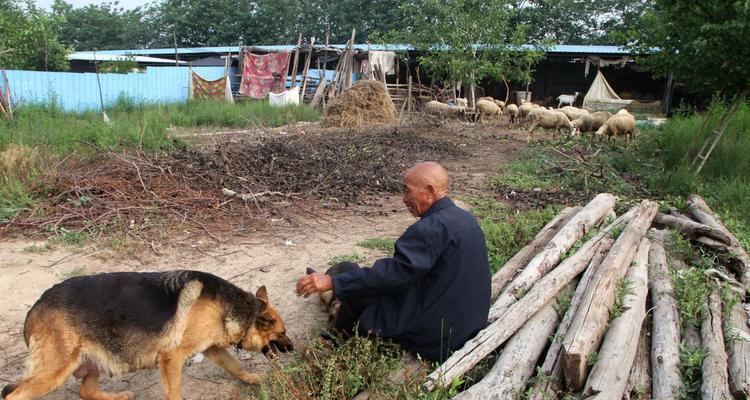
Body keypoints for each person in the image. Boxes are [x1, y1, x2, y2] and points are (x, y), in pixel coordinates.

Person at [296, 161, 491, 362]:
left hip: (435, 336)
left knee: (357, 287)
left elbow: (393, 276)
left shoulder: (432, 227)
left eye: (407, 191)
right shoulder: (467, 219)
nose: (404, 199)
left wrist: (333, 282)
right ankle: (334, 301)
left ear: (430, 191)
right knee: (353, 274)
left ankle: (334, 340)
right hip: (464, 326)